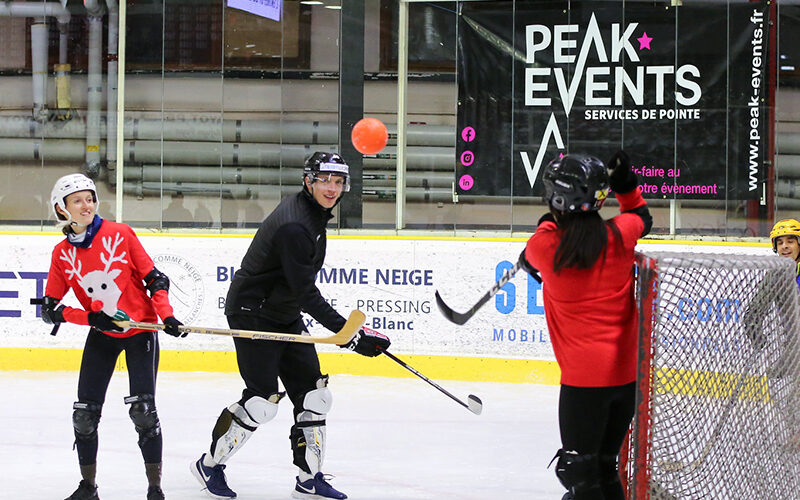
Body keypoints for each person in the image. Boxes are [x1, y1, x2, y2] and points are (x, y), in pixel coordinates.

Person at [191, 152, 390, 500]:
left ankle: (309, 478)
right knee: (262, 402)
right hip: (253, 313)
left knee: (314, 396)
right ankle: (209, 465)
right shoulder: (296, 225)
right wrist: (348, 334)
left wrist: (350, 334)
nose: (332, 188)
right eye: (324, 180)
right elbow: (306, 292)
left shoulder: (313, 216)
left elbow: (299, 292)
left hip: (283, 312)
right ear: (307, 181)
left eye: (338, 182)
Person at [40, 173, 186, 500]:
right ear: (61, 209)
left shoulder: (120, 234)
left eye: (90, 198)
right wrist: (91, 317)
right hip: (102, 334)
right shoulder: (62, 254)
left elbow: (156, 279)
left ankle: (154, 490)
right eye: (77, 200)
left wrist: (167, 316)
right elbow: (50, 308)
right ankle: (88, 488)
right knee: (84, 416)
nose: (86, 205)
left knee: (143, 411)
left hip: (140, 331)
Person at [518, 152, 652, 500]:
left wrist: (549, 221)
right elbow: (641, 217)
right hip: (626, 374)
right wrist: (626, 186)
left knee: (579, 472)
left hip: (584, 381)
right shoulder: (620, 234)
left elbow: (545, 229)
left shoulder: (545, 246)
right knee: (606, 467)